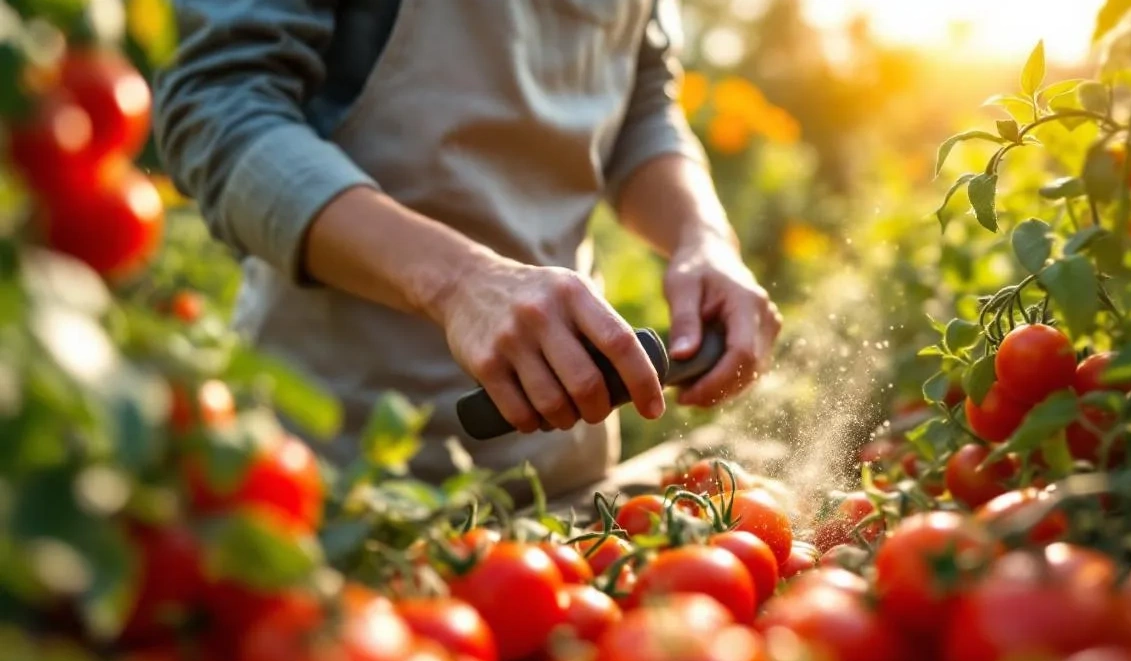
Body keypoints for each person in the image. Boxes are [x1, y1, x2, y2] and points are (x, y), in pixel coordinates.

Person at [154, 0, 782, 496]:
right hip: (321, 466)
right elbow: (219, 109)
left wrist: (703, 236)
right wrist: (457, 281)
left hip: (561, 477)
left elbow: (642, 106)